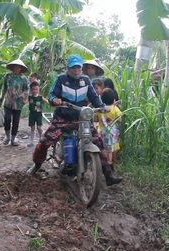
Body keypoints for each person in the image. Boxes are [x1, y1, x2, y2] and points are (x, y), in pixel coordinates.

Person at [26, 54, 123, 186]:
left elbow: (94, 97)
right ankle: (37, 164)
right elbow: (51, 94)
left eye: (78, 67)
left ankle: (109, 174)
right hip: (62, 117)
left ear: (81, 68)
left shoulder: (85, 80)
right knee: (45, 142)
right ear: (68, 68)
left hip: (81, 118)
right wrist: (54, 100)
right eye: (73, 68)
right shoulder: (61, 79)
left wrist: (101, 106)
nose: (76, 70)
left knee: (99, 142)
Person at [0, 59, 29, 146]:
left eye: (18, 67)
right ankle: (7, 136)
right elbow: (4, 88)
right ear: (12, 67)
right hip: (8, 101)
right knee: (7, 119)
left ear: (21, 69)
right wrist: (0, 100)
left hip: (18, 103)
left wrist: (23, 94)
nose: (16, 69)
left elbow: (26, 90)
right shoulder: (7, 76)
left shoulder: (24, 78)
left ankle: (13, 139)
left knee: (16, 121)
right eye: (15, 67)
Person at [95, 88, 122, 165]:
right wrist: (112, 119)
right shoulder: (115, 108)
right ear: (113, 99)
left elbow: (95, 119)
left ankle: (101, 164)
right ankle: (109, 164)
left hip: (101, 133)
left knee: (102, 150)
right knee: (109, 151)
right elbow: (120, 120)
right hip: (111, 134)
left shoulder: (99, 109)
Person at [27, 81, 49, 147]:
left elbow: (47, 102)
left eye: (36, 89)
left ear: (39, 89)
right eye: (33, 89)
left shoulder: (40, 97)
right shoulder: (30, 97)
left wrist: (53, 103)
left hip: (38, 114)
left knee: (39, 127)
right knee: (32, 127)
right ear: (31, 89)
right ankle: (31, 141)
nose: (35, 91)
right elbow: (24, 101)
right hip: (32, 114)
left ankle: (41, 139)